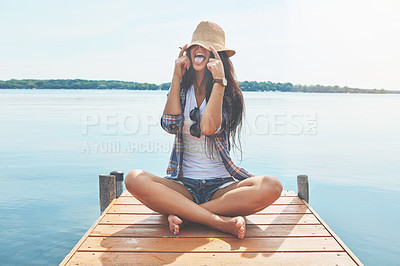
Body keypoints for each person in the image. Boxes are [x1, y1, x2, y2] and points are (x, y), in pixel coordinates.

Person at [125, 21, 282, 239]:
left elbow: (208, 128)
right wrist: (175, 78)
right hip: (183, 186)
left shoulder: (229, 95)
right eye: (196, 46)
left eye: (208, 48)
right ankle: (217, 221)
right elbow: (170, 125)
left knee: (272, 186)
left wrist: (219, 82)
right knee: (134, 178)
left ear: (218, 56)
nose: (200, 50)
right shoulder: (182, 89)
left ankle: (188, 215)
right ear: (188, 52)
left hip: (221, 187)